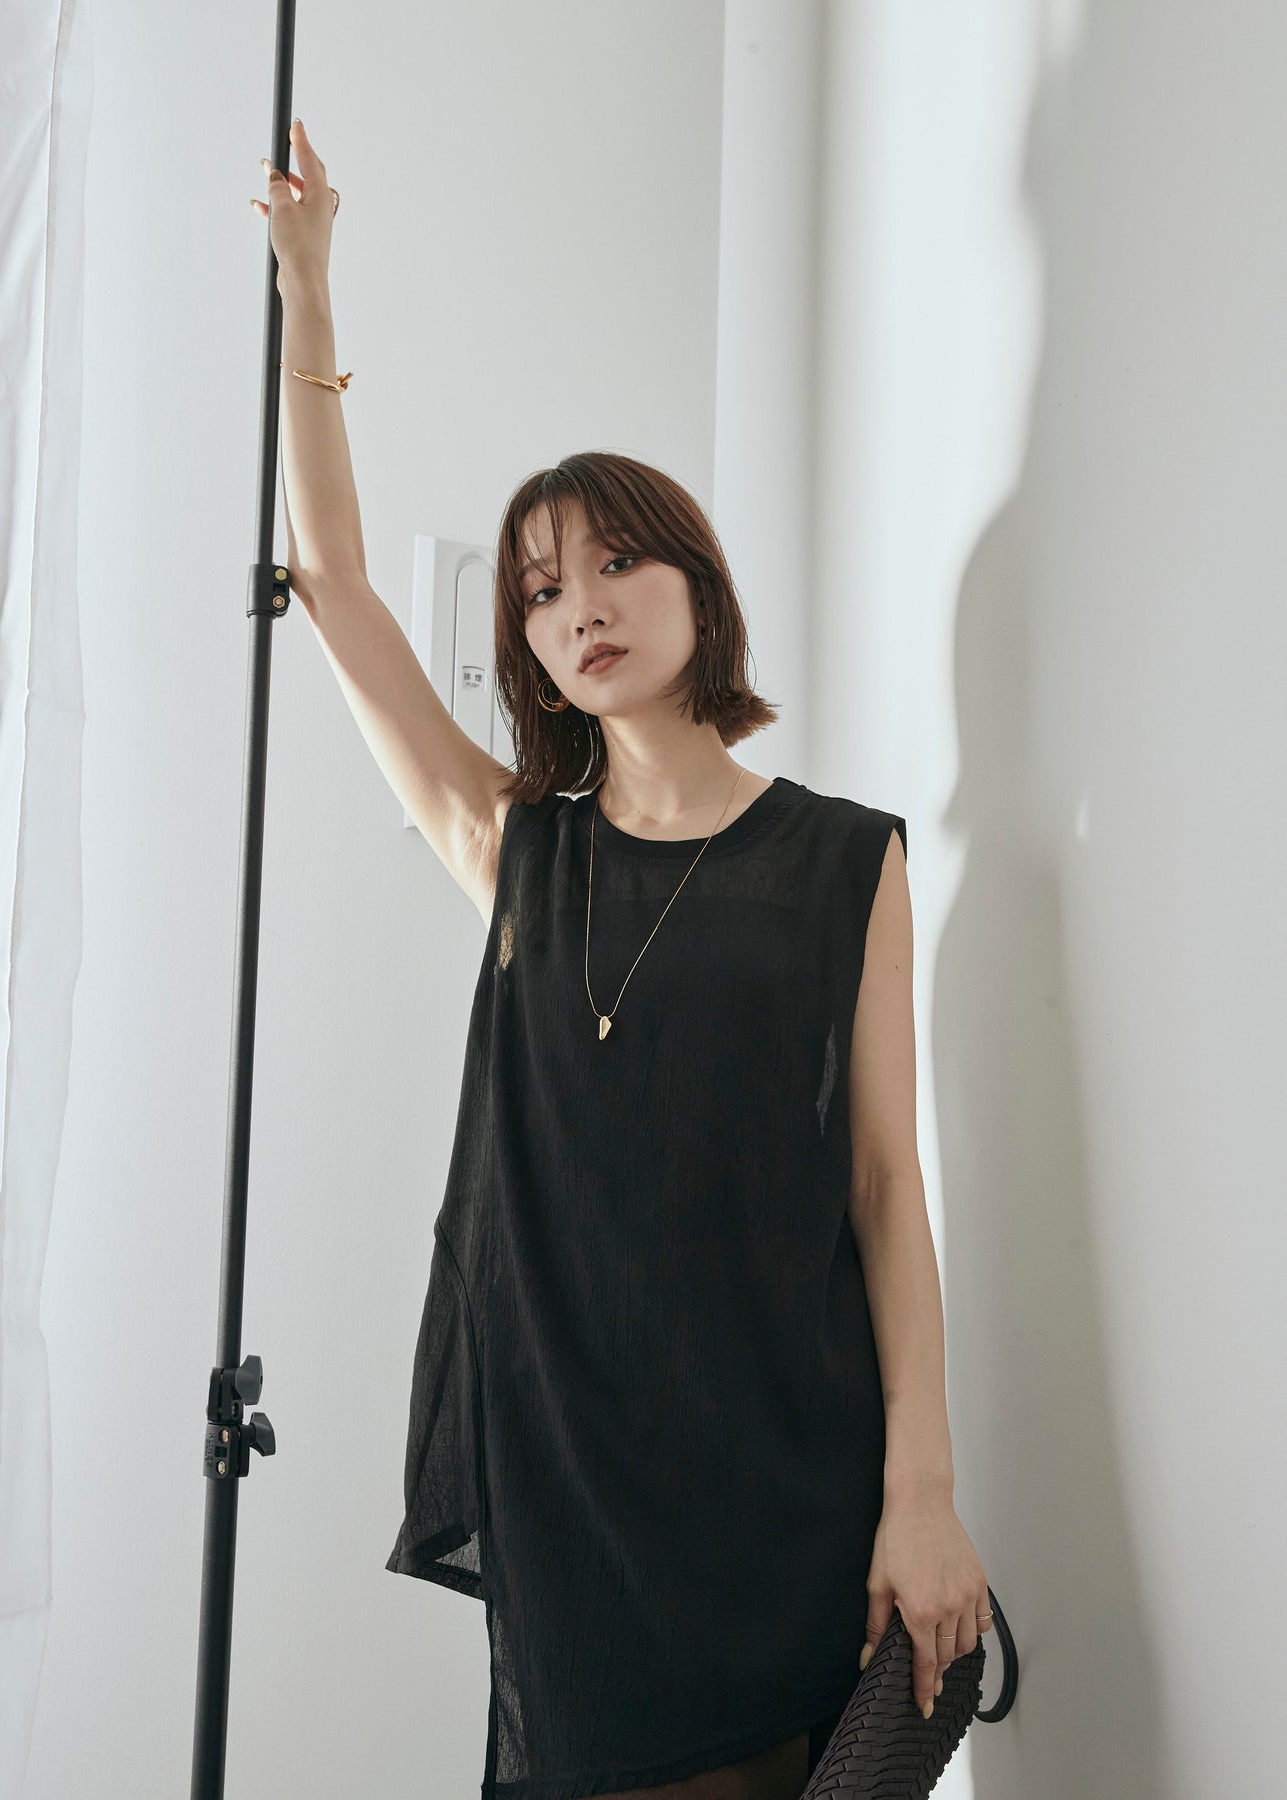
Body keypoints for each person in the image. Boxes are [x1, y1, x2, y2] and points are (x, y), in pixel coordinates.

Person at [256, 122, 993, 1800]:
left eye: (611, 562)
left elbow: (886, 1187)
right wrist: (309, 289)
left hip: (786, 1478)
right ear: (524, 647)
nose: (576, 603)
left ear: (694, 588)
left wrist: (923, 1493)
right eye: (537, 590)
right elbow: (334, 583)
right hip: (573, 1496)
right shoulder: (515, 847)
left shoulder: (842, 859)